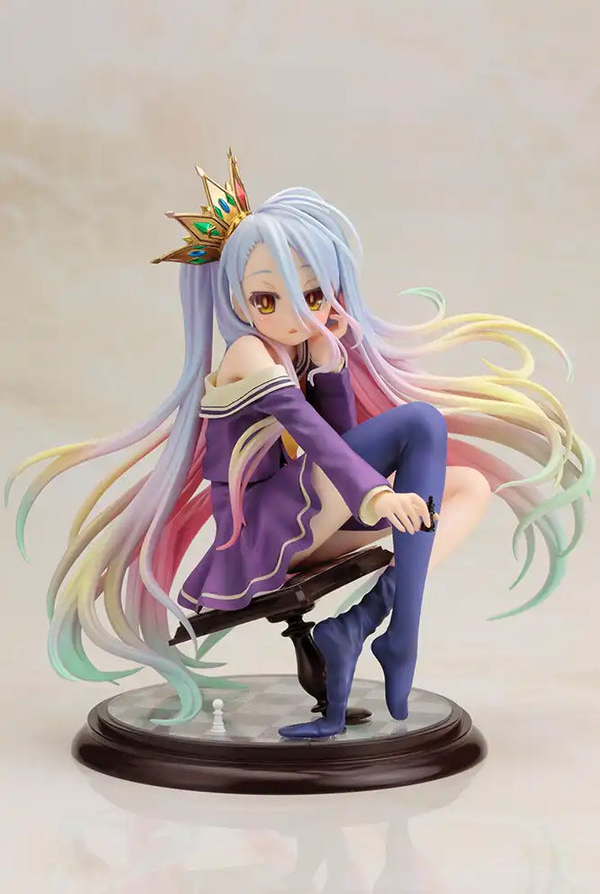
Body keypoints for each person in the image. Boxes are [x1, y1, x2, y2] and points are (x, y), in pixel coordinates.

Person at [7, 150, 594, 739]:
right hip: (262, 531)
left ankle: (364, 621)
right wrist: (376, 498)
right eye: (268, 300)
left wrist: (330, 364)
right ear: (237, 300)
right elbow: (313, 437)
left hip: (304, 514)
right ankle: (402, 636)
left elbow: (335, 439)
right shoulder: (248, 354)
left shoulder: (292, 350)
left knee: (469, 485)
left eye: (311, 297)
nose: (293, 315)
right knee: (420, 423)